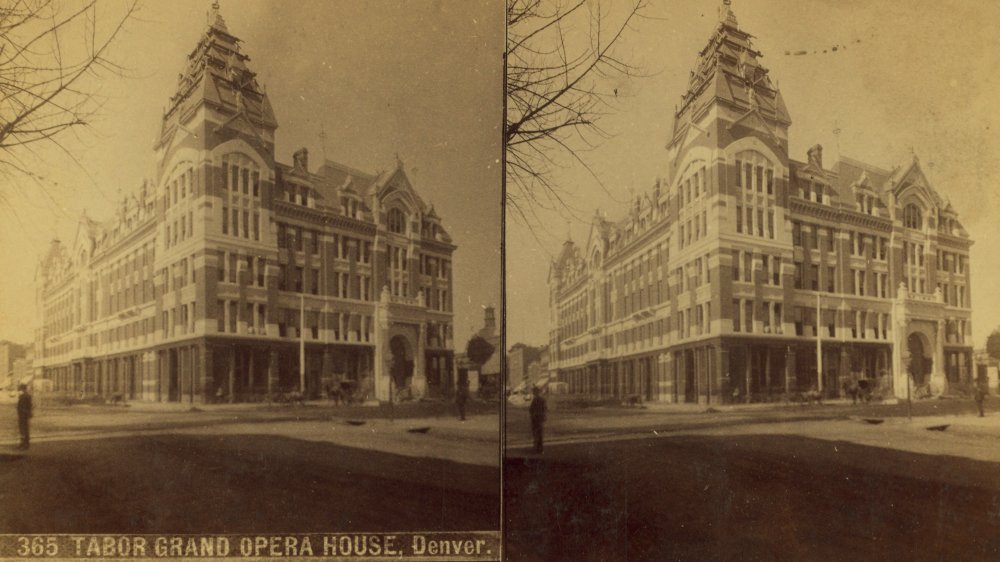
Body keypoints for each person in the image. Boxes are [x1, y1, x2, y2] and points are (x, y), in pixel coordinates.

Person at [529, 386, 547, 454]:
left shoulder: (536, 400)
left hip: (536, 419)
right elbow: (544, 409)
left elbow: (531, 409)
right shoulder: (542, 399)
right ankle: (539, 449)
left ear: (536, 392)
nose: (533, 393)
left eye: (534, 392)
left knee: (536, 434)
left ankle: (537, 448)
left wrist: (532, 415)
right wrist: (544, 417)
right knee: (539, 434)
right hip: (539, 419)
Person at [16, 384, 32, 450]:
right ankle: (24, 443)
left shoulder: (23, 396)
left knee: (23, 430)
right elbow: (30, 406)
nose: (19, 391)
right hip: (25, 414)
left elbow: (22, 406)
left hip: (23, 414)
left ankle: (24, 444)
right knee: (25, 429)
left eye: (19, 389)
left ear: (22, 389)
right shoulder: (27, 395)